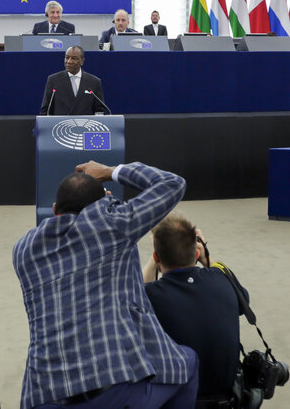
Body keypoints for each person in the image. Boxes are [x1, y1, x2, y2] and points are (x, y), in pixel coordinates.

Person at [12, 160, 199, 409]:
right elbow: (172, 183)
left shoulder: (23, 251)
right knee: (189, 361)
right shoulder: (113, 225)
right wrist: (111, 172)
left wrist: (103, 208)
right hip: (111, 393)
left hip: (43, 397)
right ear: (101, 206)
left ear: (55, 210)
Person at [142, 213, 248, 405]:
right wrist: (207, 257)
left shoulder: (152, 295)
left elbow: (136, 297)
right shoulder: (223, 279)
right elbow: (244, 302)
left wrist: (155, 255)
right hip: (229, 399)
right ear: (196, 253)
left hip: (180, 400)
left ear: (157, 257)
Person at [39, 45, 107, 115]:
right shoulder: (53, 80)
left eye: (74, 58)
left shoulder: (94, 82)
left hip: (84, 124)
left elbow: (99, 110)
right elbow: (45, 110)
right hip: (61, 125)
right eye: (67, 57)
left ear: (82, 61)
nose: (69, 61)